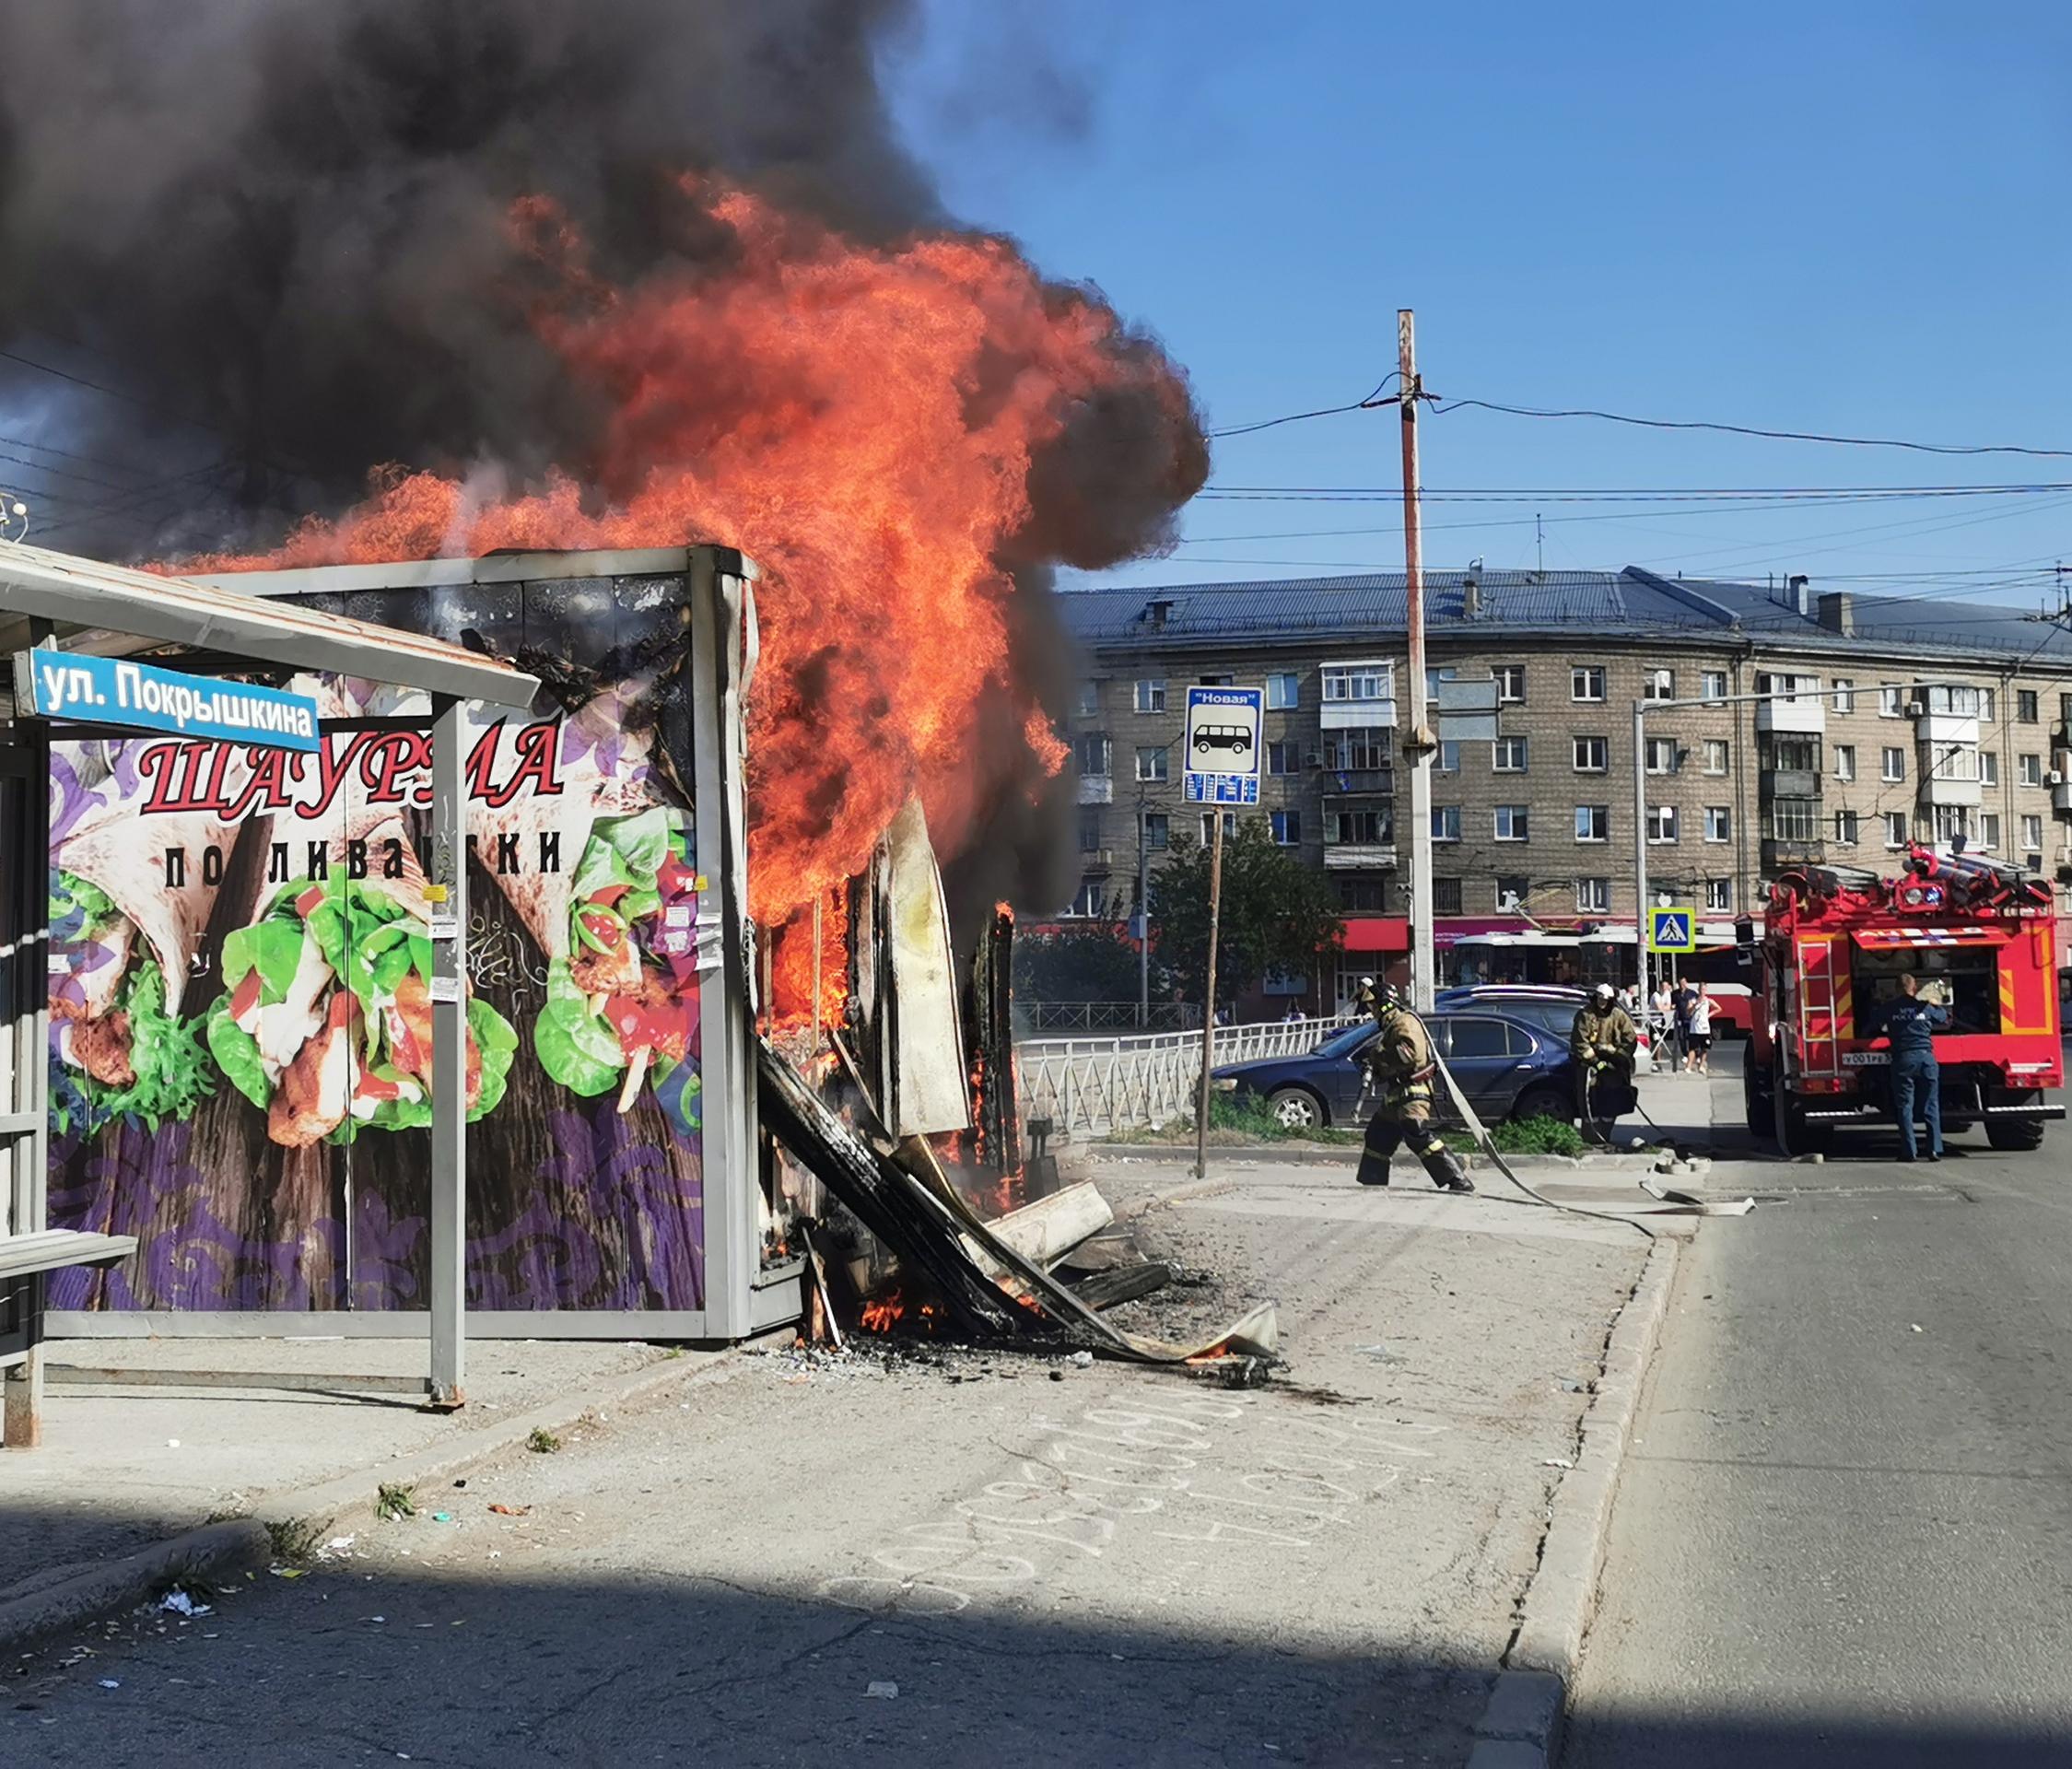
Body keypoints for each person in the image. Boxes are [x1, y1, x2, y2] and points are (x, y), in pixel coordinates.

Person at [1354, 983, 1474, 1193]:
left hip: (1413, 1091)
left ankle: (1458, 1179)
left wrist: (1378, 1056)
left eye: (1372, 1006)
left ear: (1384, 1004)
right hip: (1397, 1094)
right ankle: (1372, 1182)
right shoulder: (1393, 1025)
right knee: (1377, 1134)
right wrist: (1375, 1067)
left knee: (1416, 1132)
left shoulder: (1405, 1022)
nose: (1370, 1011)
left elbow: (1408, 1054)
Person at [1883, 971, 1950, 1162]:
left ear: (1896, 989)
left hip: (1903, 1061)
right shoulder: (1924, 1006)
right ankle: (1934, 1150)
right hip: (1926, 1060)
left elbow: (1873, 1021)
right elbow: (1944, 1017)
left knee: (1905, 1106)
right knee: (1931, 1104)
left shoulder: (1890, 1008)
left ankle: (1909, 1151)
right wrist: (1933, 1001)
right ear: (1914, 988)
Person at [1571, 982, 1640, 1127]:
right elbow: (1580, 1042)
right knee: (1589, 1099)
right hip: (1590, 1065)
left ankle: (1606, 1133)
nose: (1602, 1004)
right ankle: (1590, 1134)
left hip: (1613, 1064)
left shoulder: (1619, 1016)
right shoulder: (1585, 1015)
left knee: (1611, 1099)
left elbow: (1630, 1040)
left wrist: (1617, 1056)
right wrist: (1596, 1062)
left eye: (1606, 1000)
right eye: (1600, 999)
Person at [1683, 986, 1715, 1075]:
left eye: (1704, 990)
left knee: (1704, 1048)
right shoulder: (1693, 1000)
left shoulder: (1708, 1001)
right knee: (1692, 1048)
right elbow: (1688, 1012)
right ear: (1698, 990)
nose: (1702, 991)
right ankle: (1688, 1066)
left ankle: (1701, 1066)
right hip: (1694, 1029)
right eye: (1701, 989)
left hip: (1705, 1029)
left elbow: (1718, 1008)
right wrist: (1695, 1005)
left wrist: (1709, 1015)